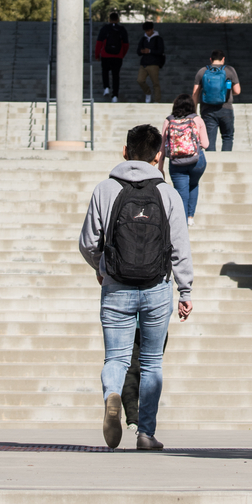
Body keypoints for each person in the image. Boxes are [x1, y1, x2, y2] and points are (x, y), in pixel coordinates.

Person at [79, 123, 193, 452]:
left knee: (116, 358)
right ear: (160, 157)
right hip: (157, 287)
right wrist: (185, 291)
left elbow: (87, 242)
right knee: (152, 362)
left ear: (125, 152)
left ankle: (112, 395)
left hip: (117, 286)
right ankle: (145, 432)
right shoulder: (168, 194)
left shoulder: (105, 189)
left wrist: (103, 268)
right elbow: (180, 248)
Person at [158, 92, 210, 226]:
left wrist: (160, 167)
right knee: (193, 184)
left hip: (176, 162)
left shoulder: (169, 121)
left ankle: (181, 220)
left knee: (181, 191)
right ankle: (190, 217)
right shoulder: (197, 119)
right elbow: (206, 144)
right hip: (196, 162)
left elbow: (162, 147)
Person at [192, 50, 241, 152]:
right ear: (223, 59)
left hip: (207, 110)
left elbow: (195, 93)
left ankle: (210, 164)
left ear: (211, 59)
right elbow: (237, 90)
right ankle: (226, 162)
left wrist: (194, 111)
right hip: (226, 109)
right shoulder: (230, 70)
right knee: (227, 137)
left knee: (209, 139)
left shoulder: (202, 71)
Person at [95, 11, 130, 103]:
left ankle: (106, 87)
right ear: (118, 20)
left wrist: (97, 55)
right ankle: (115, 96)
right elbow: (126, 45)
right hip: (117, 56)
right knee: (116, 75)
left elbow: (99, 43)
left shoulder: (104, 29)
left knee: (105, 71)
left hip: (105, 55)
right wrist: (122, 54)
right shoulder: (122, 30)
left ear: (109, 19)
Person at [137, 22, 165, 104]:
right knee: (140, 80)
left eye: (148, 31)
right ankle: (147, 92)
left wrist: (150, 51)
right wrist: (142, 51)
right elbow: (138, 51)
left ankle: (157, 100)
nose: (147, 33)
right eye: (146, 31)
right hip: (144, 63)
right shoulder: (143, 39)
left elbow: (161, 51)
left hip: (154, 63)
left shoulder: (158, 39)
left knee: (155, 83)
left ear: (152, 29)